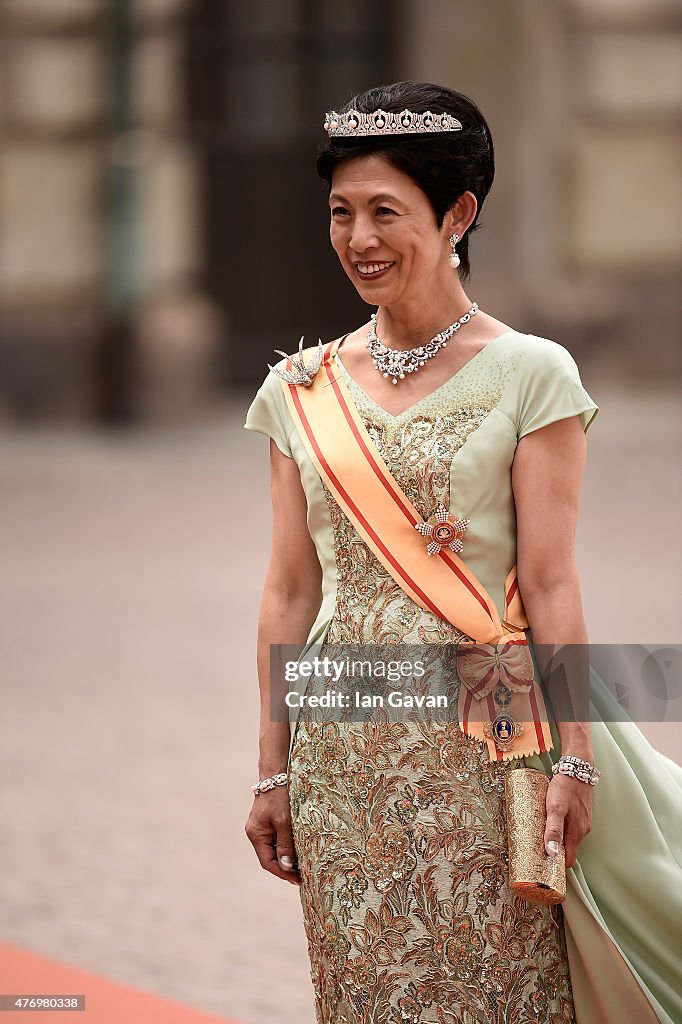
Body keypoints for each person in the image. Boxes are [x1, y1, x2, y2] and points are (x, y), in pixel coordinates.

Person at [244, 81, 681, 1024]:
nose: (359, 239)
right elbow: (288, 592)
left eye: (385, 213)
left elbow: (555, 581)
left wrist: (574, 761)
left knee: (502, 994)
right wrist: (273, 768)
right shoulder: (302, 385)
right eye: (340, 213)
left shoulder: (532, 373)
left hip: (493, 738)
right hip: (343, 751)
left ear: (458, 215)